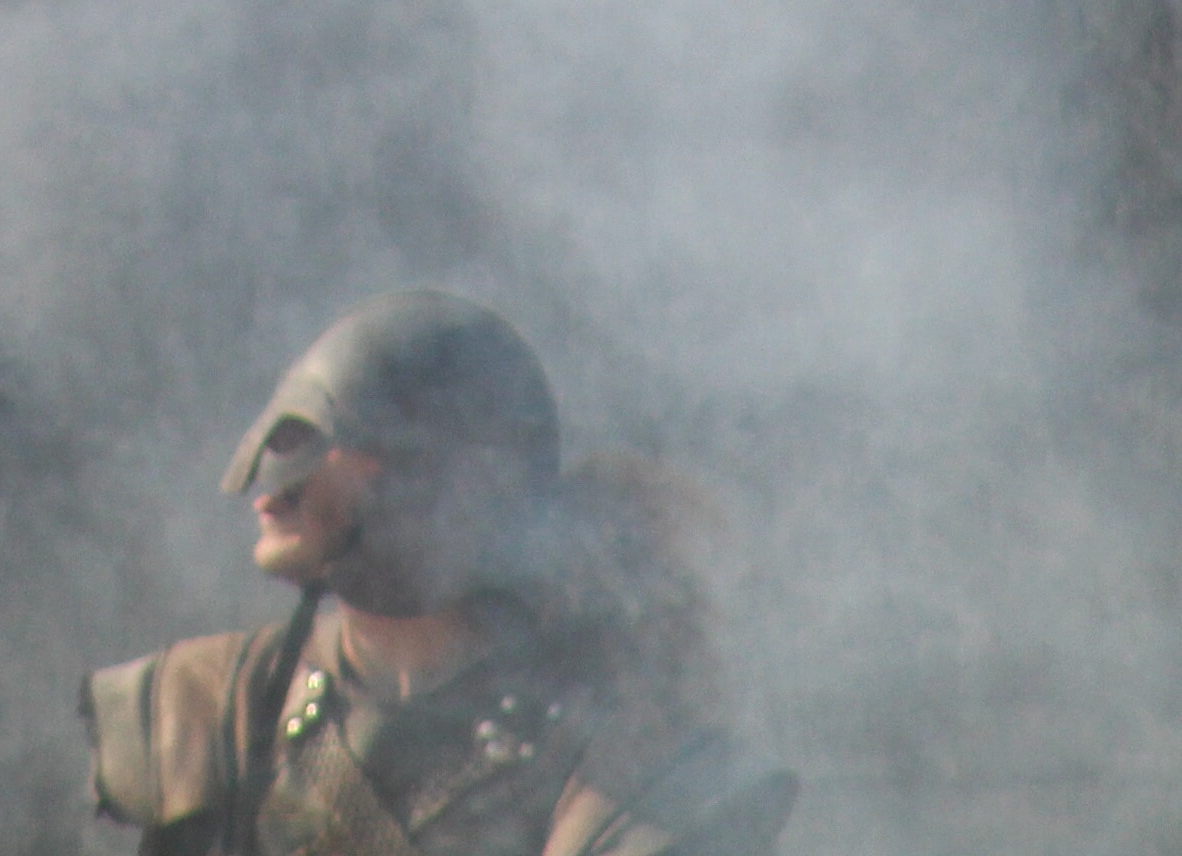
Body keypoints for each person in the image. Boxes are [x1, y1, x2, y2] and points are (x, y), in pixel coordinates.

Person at [83, 292, 796, 856]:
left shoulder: (625, 757)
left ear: (429, 477)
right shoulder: (216, 702)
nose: (269, 487)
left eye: (323, 441)